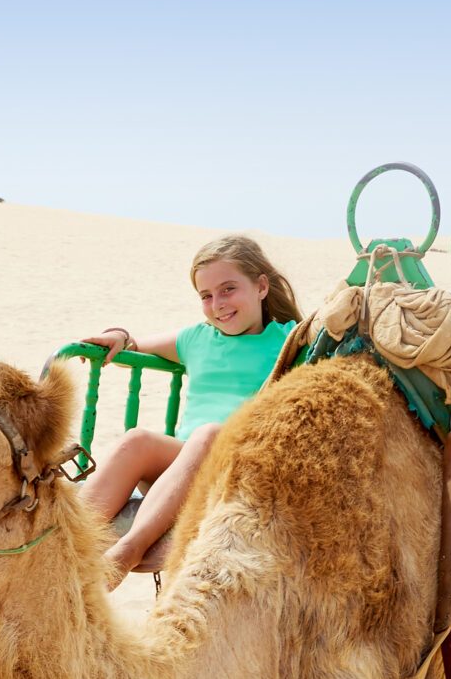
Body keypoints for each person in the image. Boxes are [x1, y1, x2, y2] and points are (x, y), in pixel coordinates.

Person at [79, 235, 303, 581]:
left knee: (210, 434)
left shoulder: (291, 339)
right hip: (181, 476)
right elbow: (134, 346)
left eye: (229, 289)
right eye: (206, 296)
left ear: (261, 287)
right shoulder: (195, 339)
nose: (218, 304)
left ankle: (129, 550)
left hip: (243, 477)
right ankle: (65, 544)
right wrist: (120, 336)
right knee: (136, 441)